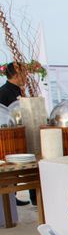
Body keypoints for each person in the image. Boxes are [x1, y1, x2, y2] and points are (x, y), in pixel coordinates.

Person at [0, 62, 33, 206]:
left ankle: (33, 197)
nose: (26, 76)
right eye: (24, 73)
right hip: (9, 137)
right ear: (15, 75)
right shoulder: (3, 92)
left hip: (23, 132)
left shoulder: (21, 91)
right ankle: (11, 196)